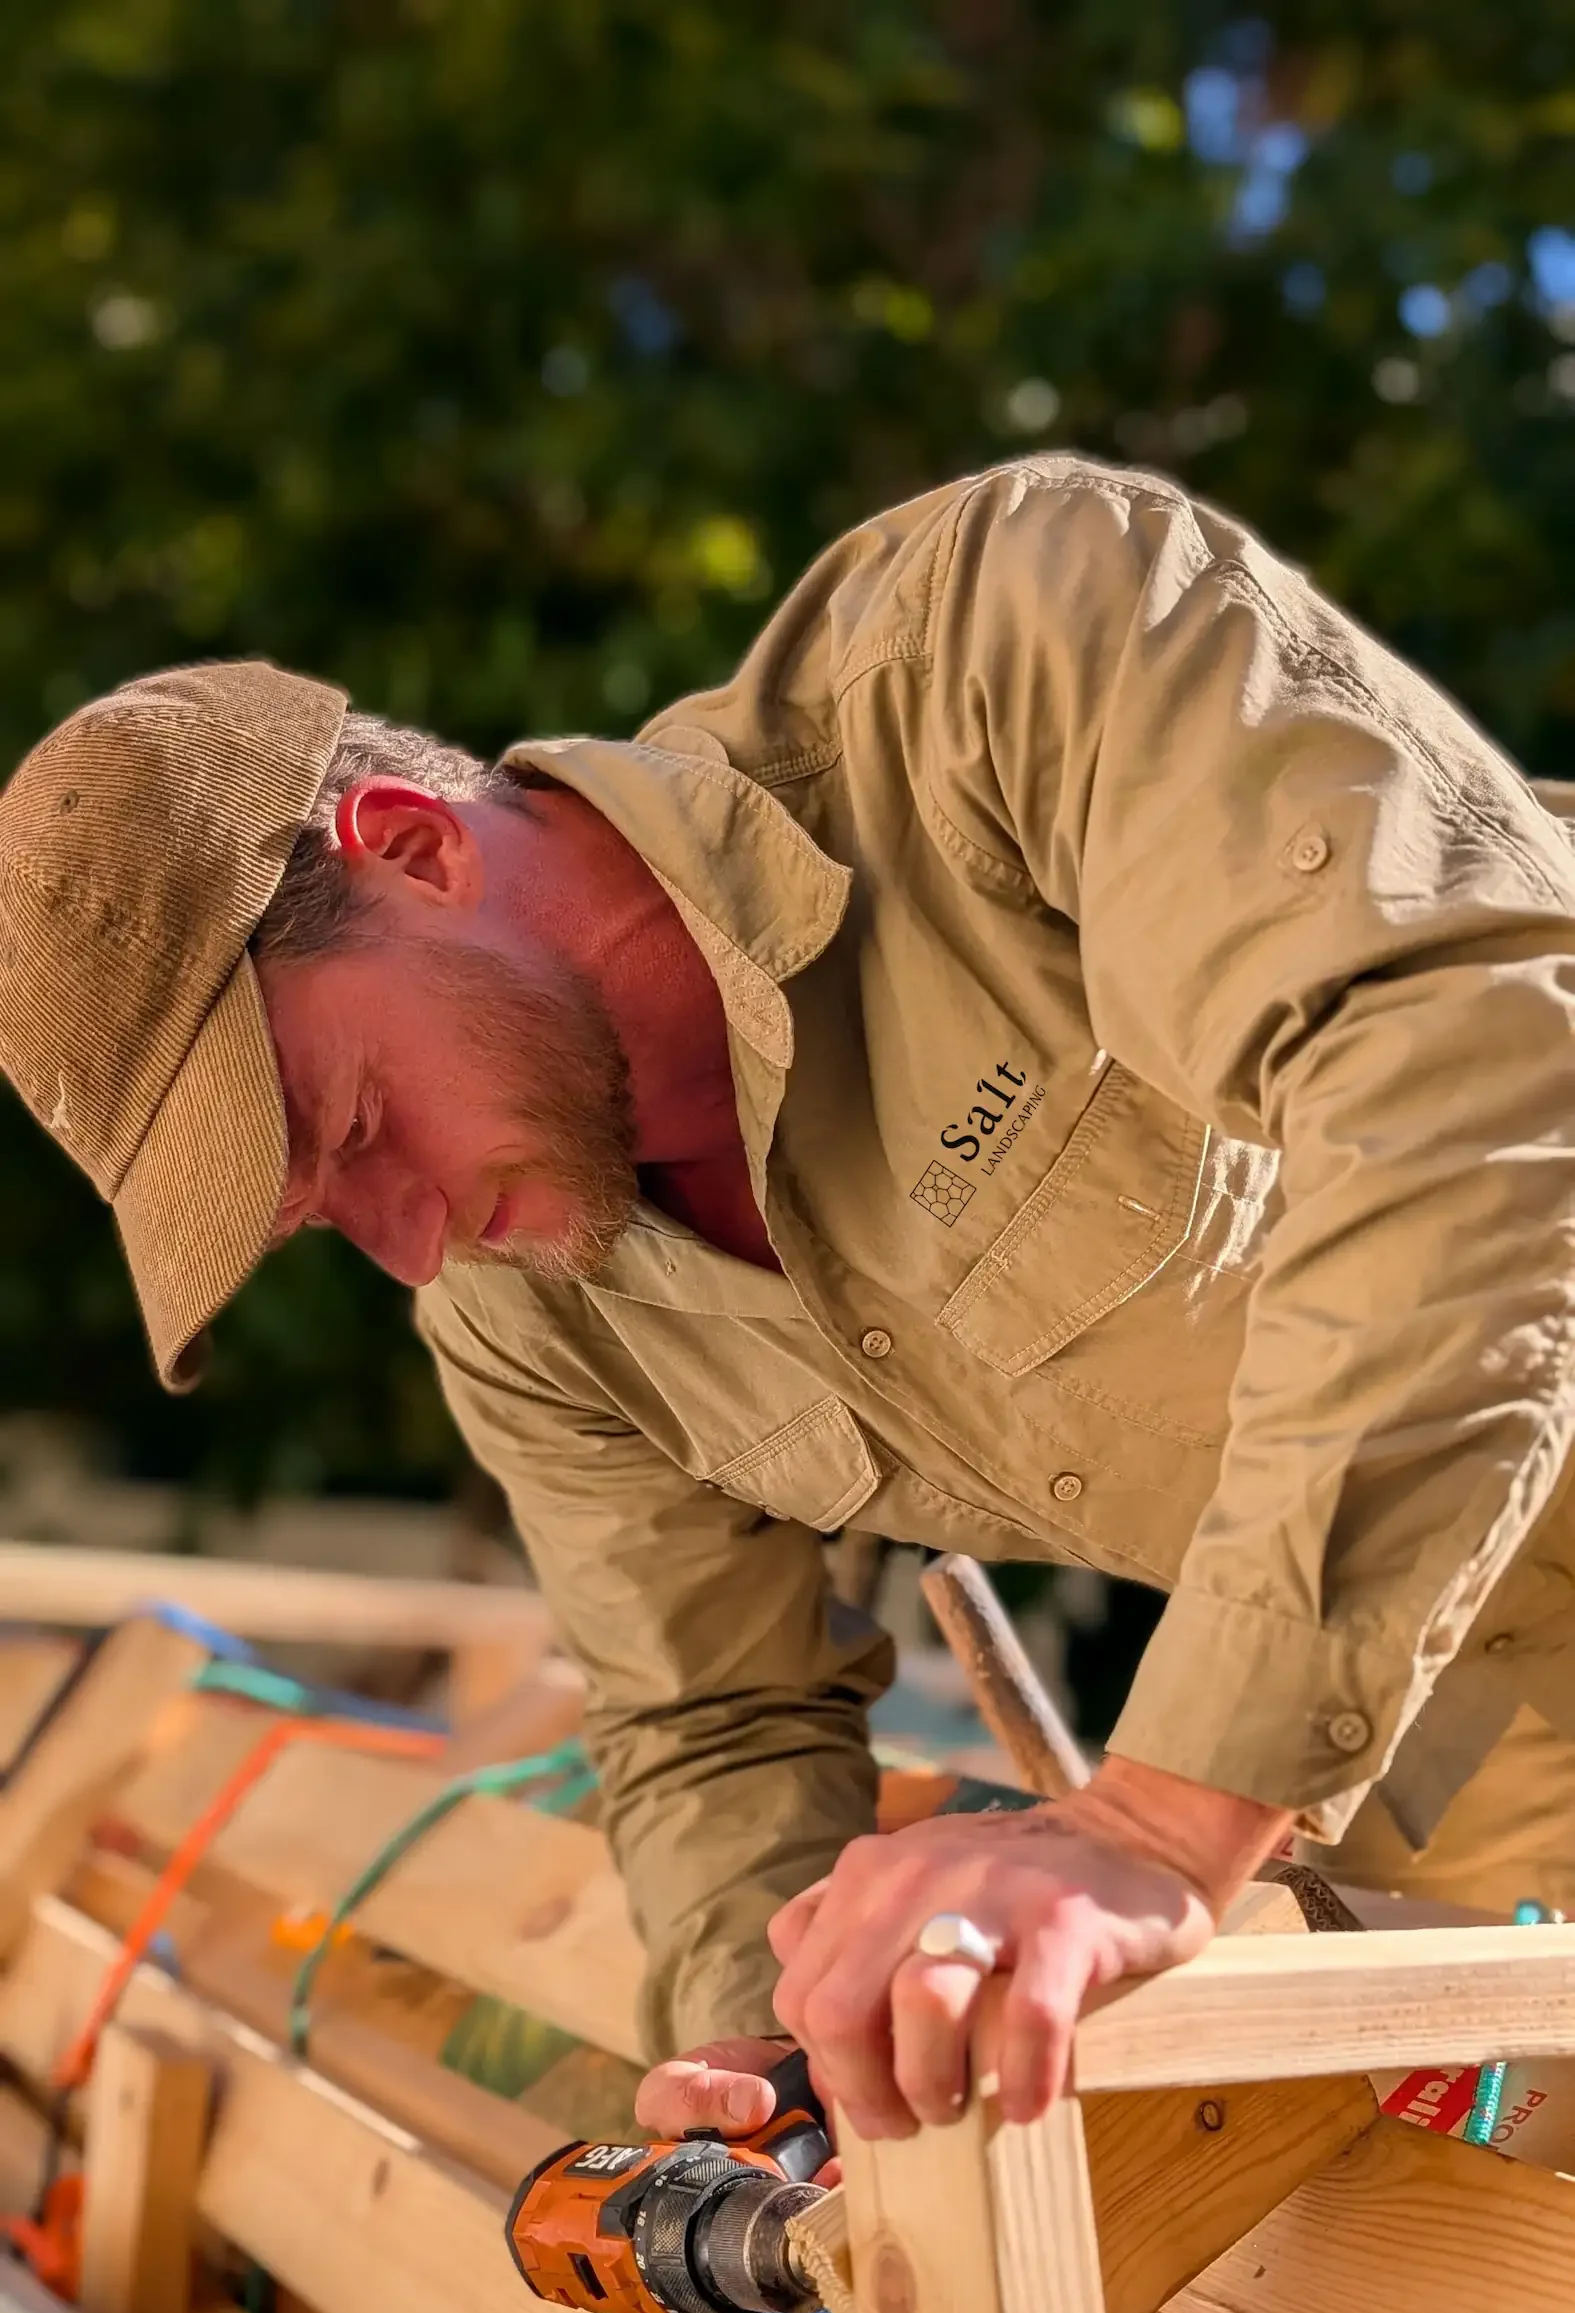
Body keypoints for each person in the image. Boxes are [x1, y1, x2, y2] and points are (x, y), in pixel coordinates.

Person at [4, 453, 1575, 2157]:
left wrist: (1159, 1815)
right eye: (326, 1221)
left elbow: (1477, 1065)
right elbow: (713, 1723)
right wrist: (766, 2061)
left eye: (362, 1134)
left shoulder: (992, 653)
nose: (405, 1249)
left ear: (409, 849)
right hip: (1507, 1853)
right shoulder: (527, 1313)